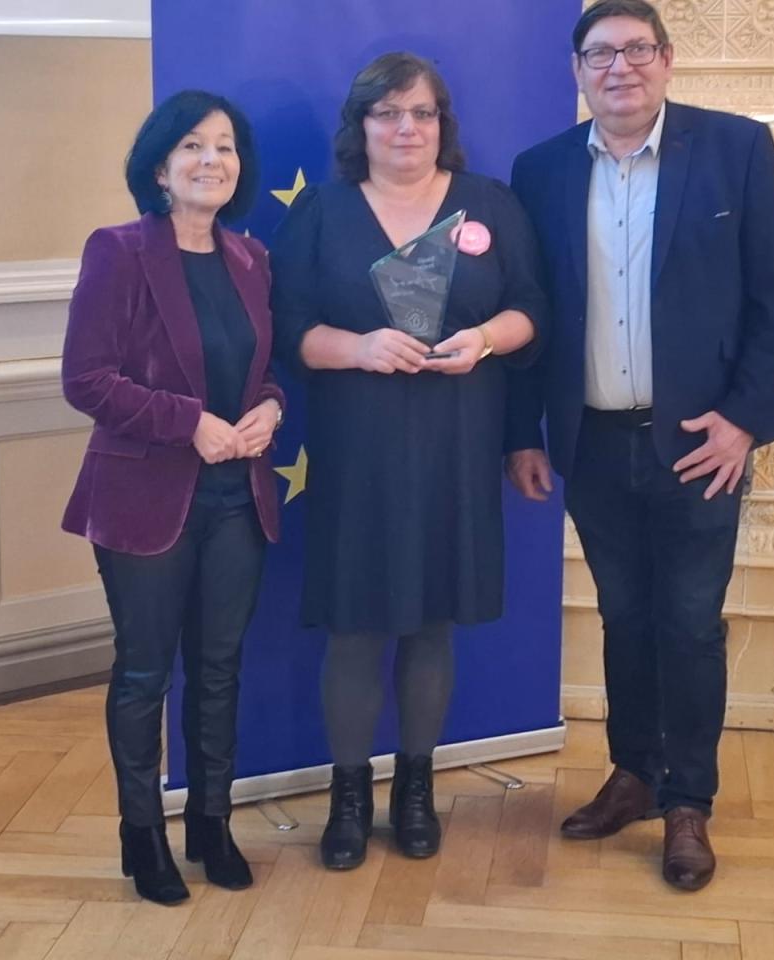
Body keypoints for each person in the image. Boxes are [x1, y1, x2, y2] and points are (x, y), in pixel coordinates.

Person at [506, 0, 774, 891]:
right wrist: (523, 433)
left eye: (638, 49)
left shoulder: (735, 148)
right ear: (578, 71)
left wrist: (743, 419)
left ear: (667, 61)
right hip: (593, 441)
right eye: (600, 54)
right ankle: (633, 773)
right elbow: (530, 313)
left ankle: (688, 803)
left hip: (701, 443)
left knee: (689, 623)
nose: (620, 67)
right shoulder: (541, 170)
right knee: (625, 618)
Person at [270, 52, 544, 871]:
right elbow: (288, 331)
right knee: (356, 628)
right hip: (357, 452)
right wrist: (357, 346)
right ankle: (348, 799)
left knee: (431, 624)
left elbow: (534, 309)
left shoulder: (489, 202)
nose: (406, 128)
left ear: (441, 123)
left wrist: (484, 339)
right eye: (387, 113)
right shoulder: (321, 212)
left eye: (422, 113)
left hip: (458, 443)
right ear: (360, 126)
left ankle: (415, 792)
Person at [61, 90, 284, 905]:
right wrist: (189, 423)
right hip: (143, 500)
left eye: (224, 146)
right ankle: (143, 834)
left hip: (238, 499)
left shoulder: (252, 258)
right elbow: (86, 379)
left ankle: (212, 826)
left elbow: (266, 367)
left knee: (218, 669)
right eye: (192, 145)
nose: (210, 160)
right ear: (159, 167)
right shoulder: (118, 251)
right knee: (145, 672)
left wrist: (271, 408)